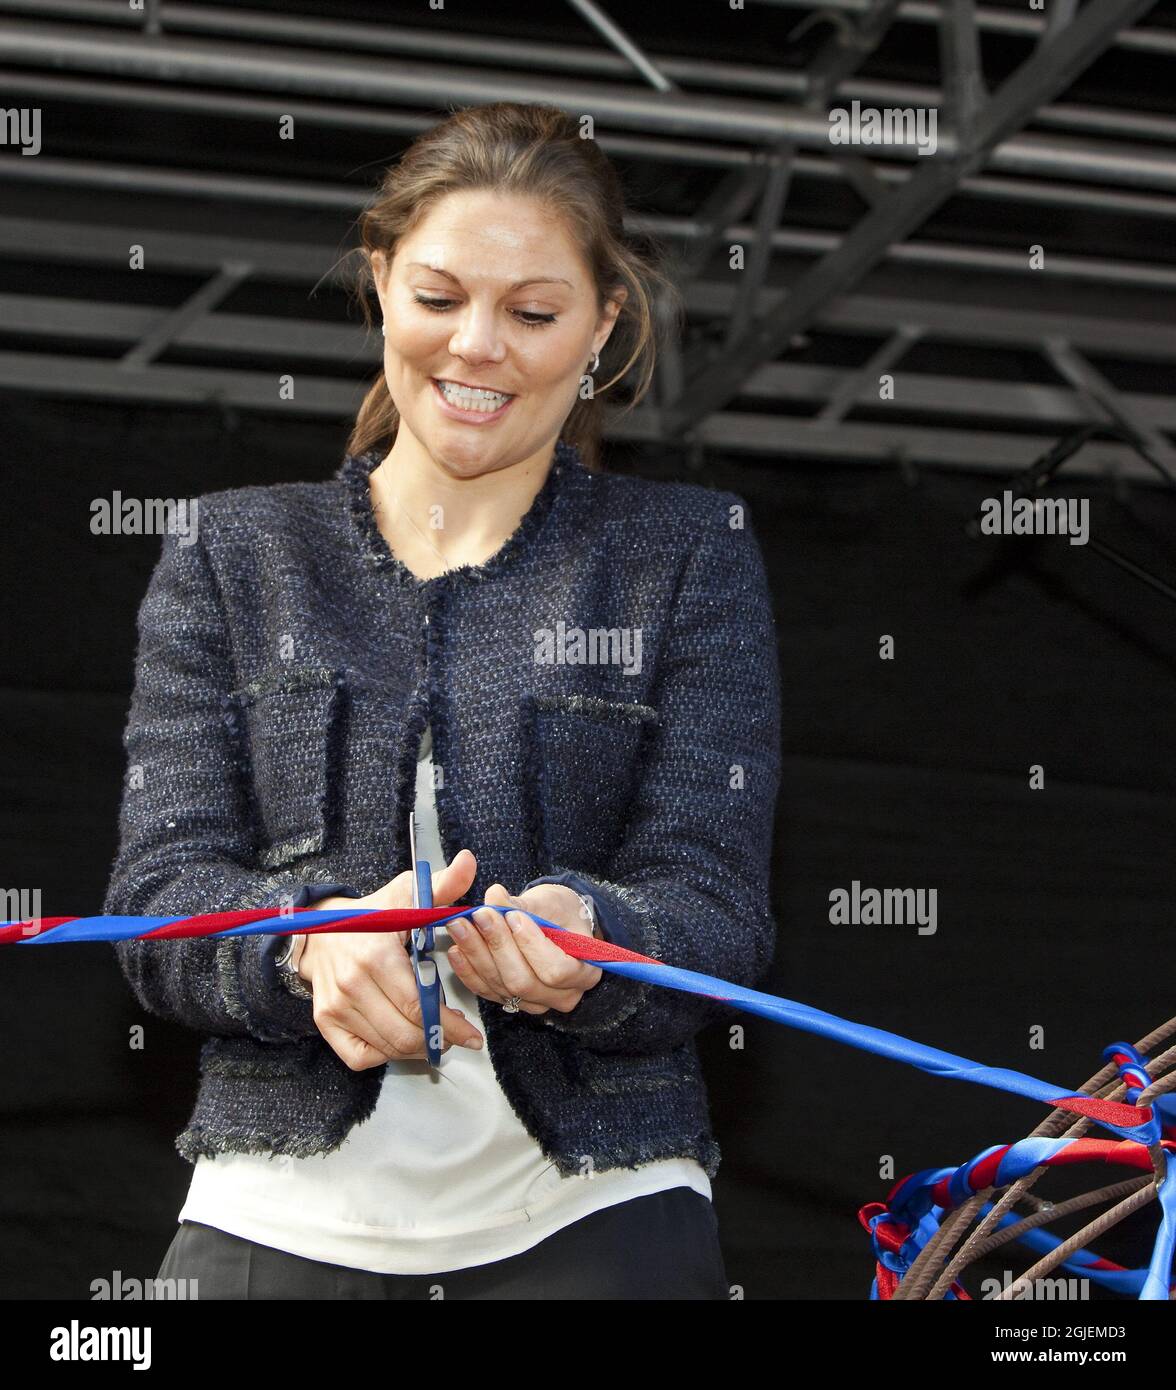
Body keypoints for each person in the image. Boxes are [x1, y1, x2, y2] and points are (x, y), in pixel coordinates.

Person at [105, 101, 781, 1300]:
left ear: (602, 324)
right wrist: (304, 946)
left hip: (598, 1213)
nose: (477, 346)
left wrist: (596, 938)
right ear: (378, 284)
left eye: (532, 313)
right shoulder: (231, 551)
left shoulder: (687, 555)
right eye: (436, 298)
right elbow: (160, 903)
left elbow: (717, 908)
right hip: (277, 1217)